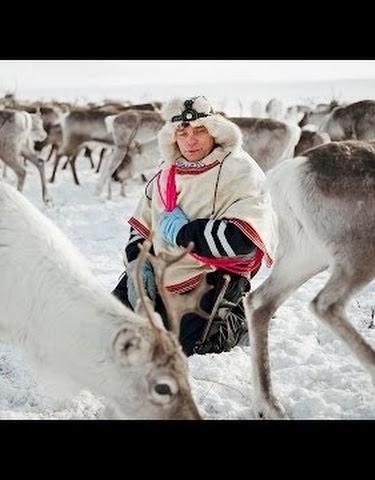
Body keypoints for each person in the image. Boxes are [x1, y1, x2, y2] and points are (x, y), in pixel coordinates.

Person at [112, 96, 278, 356]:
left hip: (212, 273)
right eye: (183, 132)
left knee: (190, 348)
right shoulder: (166, 172)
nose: (191, 140)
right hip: (159, 270)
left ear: (214, 131)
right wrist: (138, 264)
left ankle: (240, 318)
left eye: (200, 131)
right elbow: (142, 226)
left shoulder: (240, 170)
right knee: (112, 327)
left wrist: (184, 232)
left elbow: (242, 240)